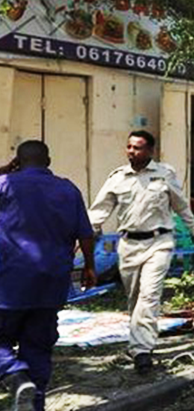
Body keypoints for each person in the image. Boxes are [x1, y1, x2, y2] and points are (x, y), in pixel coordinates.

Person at [89, 131, 194, 375]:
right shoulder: (117, 178)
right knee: (134, 298)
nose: (132, 151)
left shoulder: (164, 174)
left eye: (138, 148)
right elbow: (99, 211)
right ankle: (137, 343)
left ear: (150, 151)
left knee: (149, 295)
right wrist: (83, 234)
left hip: (159, 242)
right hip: (129, 245)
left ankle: (143, 350)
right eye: (129, 147)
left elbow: (181, 205)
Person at [0, 141, 96, 411]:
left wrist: (5, 170)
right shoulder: (68, 189)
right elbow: (85, 234)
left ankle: (14, 376)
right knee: (38, 347)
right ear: (49, 160)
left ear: (17, 161)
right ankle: (34, 402)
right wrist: (89, 266)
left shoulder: (6, 185)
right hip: (51, 283)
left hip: (9, 282)